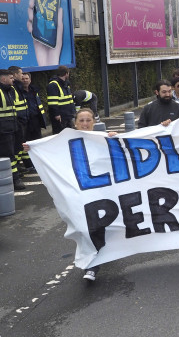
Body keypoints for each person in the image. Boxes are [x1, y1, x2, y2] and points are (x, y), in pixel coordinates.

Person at [22, 108, 117, 280]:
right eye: (82, 120)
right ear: (75, 123)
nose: (85, 123)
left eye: (88, 120)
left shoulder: (102, 140)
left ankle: (94, 264)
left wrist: (115, 138)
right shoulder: (64, 141)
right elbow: (48, 150)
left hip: (101, 192)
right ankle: (93, 261)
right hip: (77, 193)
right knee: (83, 226)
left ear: (94, 123)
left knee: (99, 226)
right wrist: (32, 147)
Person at [0, 69, 21, 189]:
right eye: (11, 77)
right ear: (3, 79)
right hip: (3, 131)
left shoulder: (9, 91)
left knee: (11, 155)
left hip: (11, 128)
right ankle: (15, 179)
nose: (13, 79)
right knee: (9, 156)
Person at [47, 65, 76, 134]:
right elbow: (52, 102)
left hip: (68, 115)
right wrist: (56, 114)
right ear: (66, 74)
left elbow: (70, 100)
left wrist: (73, 112)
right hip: (60, 116)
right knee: (60, 135)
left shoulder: (65, 84)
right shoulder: (53, 84)